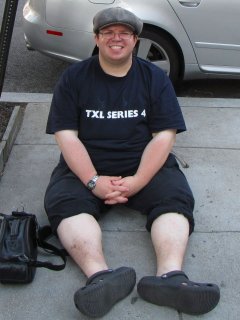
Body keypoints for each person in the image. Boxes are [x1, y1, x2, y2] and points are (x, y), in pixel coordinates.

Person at [44, 7, 220, 318]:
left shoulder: (153, 77)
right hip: (88, 165)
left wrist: (139, 180)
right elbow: (66, 136)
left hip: (144, 165)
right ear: (97, 38)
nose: (116, 38)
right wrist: (92, 181)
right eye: (108, 32)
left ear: (135, 40)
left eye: (123, 33)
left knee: (175, 199)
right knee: (64, 202)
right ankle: (100, 278)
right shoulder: (74, 78)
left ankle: (171, 278)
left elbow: (164, 136)